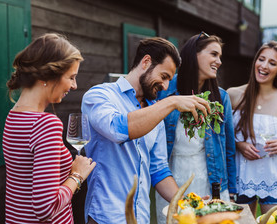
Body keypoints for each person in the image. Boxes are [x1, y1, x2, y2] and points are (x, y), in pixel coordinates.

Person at [81, 37, 211, 224]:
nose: (165, 86)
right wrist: (172, 102)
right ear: (146, 62)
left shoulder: (155, 110)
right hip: (106, 216)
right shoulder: (99, 95)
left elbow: (158, 170)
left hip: (141, 217)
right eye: (164, 76)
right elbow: (117, 129)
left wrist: (187, 202)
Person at [3, 33, 96, 224]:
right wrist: (77, 175)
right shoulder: (46, 124)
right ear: (47, 75)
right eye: (71, 77)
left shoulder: (12, 116)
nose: (74, 85)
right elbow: (46, 208)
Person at [155, 32, 237, 224]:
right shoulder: (165, 91)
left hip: (212, 180)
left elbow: (229, 149)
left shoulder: (221, 97)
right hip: (173, 180)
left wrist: (231, 193)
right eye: (214, 54)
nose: (219, 61)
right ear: (194, 54)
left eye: (220, 57)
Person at [227, 41, 277, 217]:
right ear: (255, 61)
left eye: (272, 63)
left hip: (272, 176)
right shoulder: (233, 95)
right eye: (261, 59)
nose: (264, 66)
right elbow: (222, 136)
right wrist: (240, 145)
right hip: (241, 177)